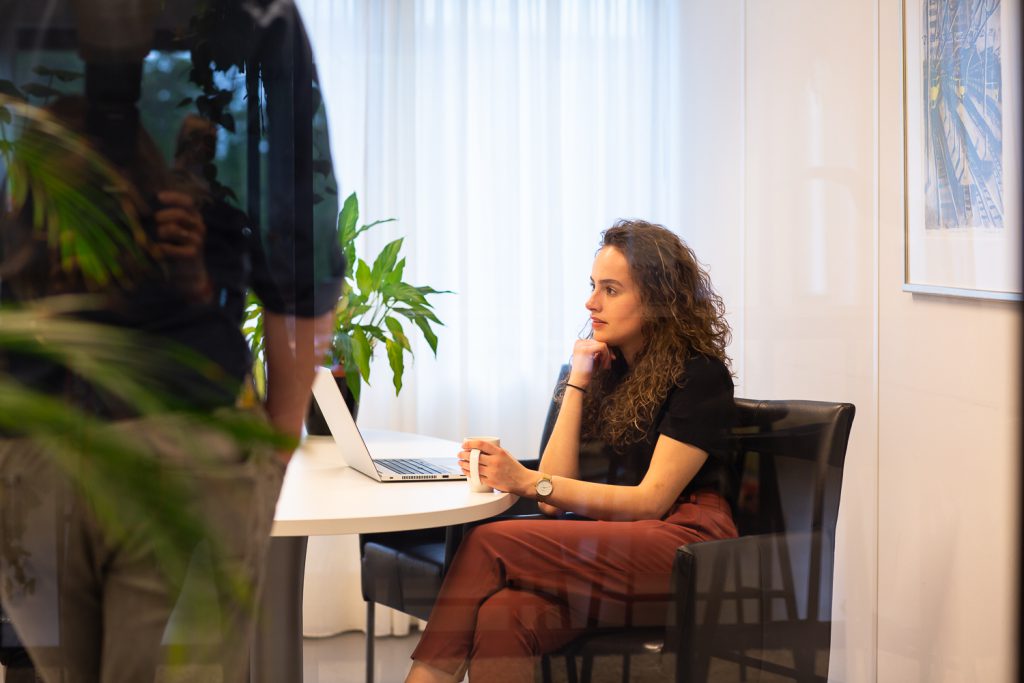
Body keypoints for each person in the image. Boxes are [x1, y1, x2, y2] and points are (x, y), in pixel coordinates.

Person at [0, 1, 343, 681]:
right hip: (188, 434)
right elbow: (301, 263)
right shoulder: (256, 12)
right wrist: (274, 444)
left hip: (25, 442)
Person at [406, 220, 738, 683]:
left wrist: (525, 480)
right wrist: (578, 380)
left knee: (488, 541)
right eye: (592, 286)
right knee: (504, 614)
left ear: (658, 299)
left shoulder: (700, 375)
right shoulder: (609, 371)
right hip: (617, 546)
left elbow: (651, 501)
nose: (591, 302)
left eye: (611, 290)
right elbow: (550, 500)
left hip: (685, 551)